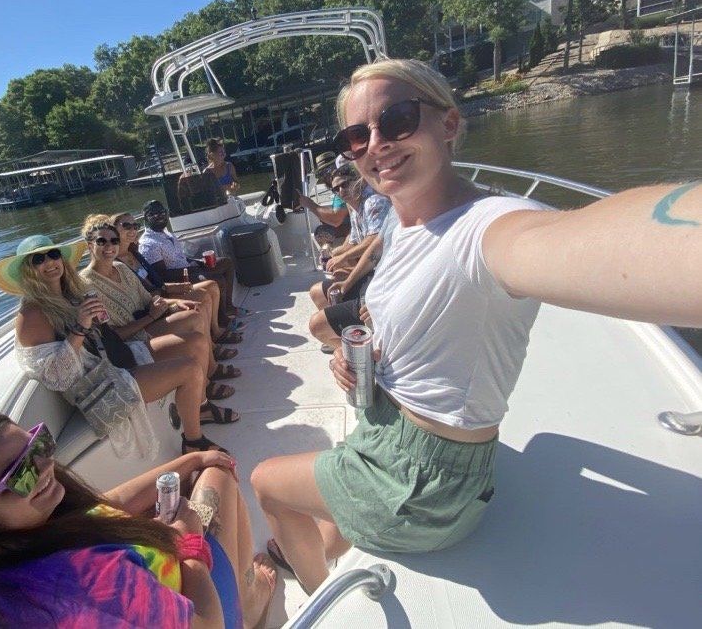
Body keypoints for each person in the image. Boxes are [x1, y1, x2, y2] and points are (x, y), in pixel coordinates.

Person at [251, 58, 702, 594]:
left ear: (448, 124)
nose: (376, 144)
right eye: (357, 135)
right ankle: (331, 536)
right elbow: (408, 316)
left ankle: (315, 592)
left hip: (420, 482)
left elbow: (603, 242)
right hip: (391, 436)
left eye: (397, 120)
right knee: (326, 503)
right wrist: (362, 355)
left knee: (266, 482)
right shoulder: (403, 219)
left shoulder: (487, 227)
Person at [0, 414, 277, 629]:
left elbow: (102, 507)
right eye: (19, 473)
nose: (45, 466)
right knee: (219, 480)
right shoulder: (86, 584)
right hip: (201, 610)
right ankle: (247, 603)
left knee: (202, 470)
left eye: (38, 445)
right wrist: (189, 545)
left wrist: (190, 461)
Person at [0, 234, 233, 454]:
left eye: (53, 255)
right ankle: (193, 440)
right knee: (189, 368)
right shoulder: (32, 313)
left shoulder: (70, 293)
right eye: (37, 260)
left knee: (195, 342)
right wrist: (81, 327)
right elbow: (56, 376)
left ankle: (201, 407)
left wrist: (95, 322)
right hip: (98, 382)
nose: (49, 262)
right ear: (27, 271)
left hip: (115, 359)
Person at [81, 221, 243, 405]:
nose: (110, 246)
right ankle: (205, 383)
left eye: (114, 241)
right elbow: (111, 337)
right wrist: (152, 315)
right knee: (193, 320)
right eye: (102, 241)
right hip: (130, 342)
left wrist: (175, 302)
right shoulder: (86, 285)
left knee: (194, 310)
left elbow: (149, 299)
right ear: (90, 245)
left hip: (149, 321)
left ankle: (210, 368)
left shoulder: (121, 269)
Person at [112, 211, 241, 346]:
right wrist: (169, 290)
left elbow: (156, 281)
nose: (132, 229)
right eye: (126, 226)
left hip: (162, 292)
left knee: (211, 285)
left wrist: (174, 286)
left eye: (135, 225)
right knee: (202, 298)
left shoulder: (135, 253)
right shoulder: (117, 264)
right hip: (153, 303)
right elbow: (145, 292)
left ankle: (216, 331)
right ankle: (213, 341)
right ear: (113, 230)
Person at [139, 200, 246, 325]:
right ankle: (221, 320)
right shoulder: (148, 243)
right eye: (154, 214)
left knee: (226, 263)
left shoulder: (165, 233)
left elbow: (180, 256)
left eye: (162, 212)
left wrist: (198, 262)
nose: (160, 216)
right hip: (178, 278)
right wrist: (194, 270)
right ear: (146, 217)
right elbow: (162, 275)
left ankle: (228, 307)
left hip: (189, 268)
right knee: (217, 279)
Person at [307, 165, 392, 311]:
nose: (341, 191)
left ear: (358, 181)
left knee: (318, 318)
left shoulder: (374, 202)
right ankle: (339, 320)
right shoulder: (355, 208)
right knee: (318, 291)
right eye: (336, 189)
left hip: (384, 274)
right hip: (372, 268)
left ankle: (343, 323)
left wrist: (345, 266)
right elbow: (353, 243)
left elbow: (373, 242)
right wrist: (333, 254)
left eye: (344, 184)